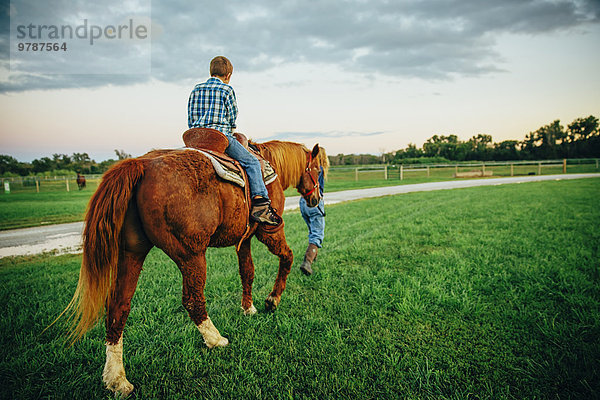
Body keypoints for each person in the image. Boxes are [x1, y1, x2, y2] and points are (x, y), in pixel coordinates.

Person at [188, 56, 281, 226]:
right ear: (228, 74)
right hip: (219, 138)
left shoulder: (196, 89)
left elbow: (190, 117)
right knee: (252, 162)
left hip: (195, 139)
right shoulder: (226, 90)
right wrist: (230, 129)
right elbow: (232, 117)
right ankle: (261, 205)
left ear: (211, 72)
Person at [299, 151, 329, 275]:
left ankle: (313, 255)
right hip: (314, 202)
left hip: (303, 202)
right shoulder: (319, 169)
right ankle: (307, 262)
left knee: (312, 230)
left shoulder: (307, 169)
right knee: (317, 234)